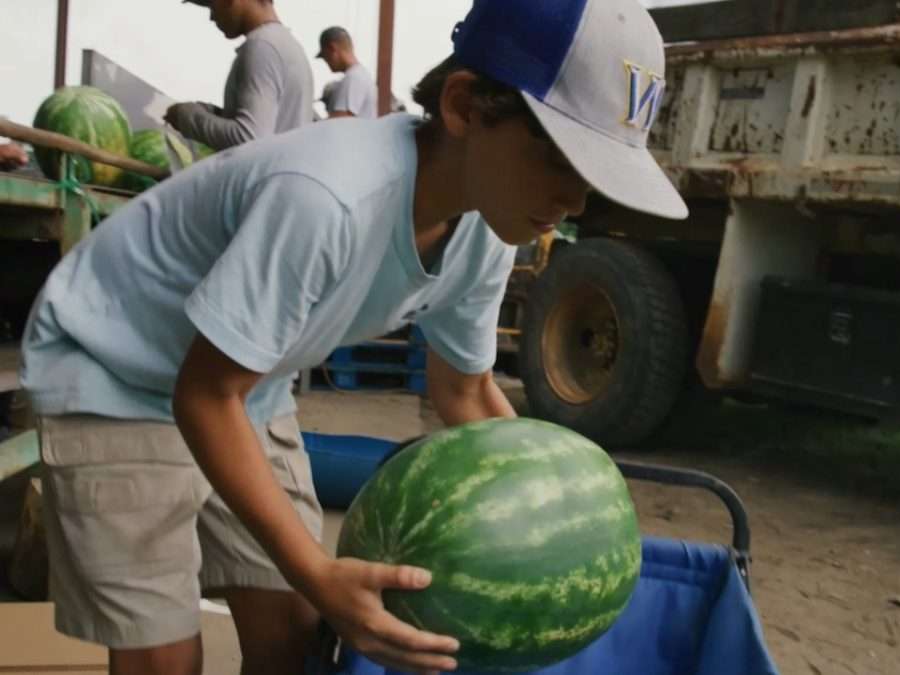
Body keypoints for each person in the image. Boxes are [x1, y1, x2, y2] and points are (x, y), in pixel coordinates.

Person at [19, 0, 687, 673]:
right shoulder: (327, 195)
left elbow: (465, 390)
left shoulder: (491, 225)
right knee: (166, 655)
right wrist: (314, 567)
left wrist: (561, 502)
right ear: (465, 107)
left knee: (295, 633)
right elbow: (203, 395)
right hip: (116, 371)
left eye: (595, 180)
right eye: (565, 162)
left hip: (244, 381)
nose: (574, 203)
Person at [164, 0, 313, 149]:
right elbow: (269, 126)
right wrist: (213, 114)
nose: (212, 17)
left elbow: (249, 138)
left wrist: (186, 117)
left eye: (212, 5)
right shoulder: (286, 44)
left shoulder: (262, 48)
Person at [316, 26, 378, 119]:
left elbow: (340, 122)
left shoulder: (353, 78)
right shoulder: (361, 75)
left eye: (325, 56)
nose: (326, 61)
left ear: (332, 49)